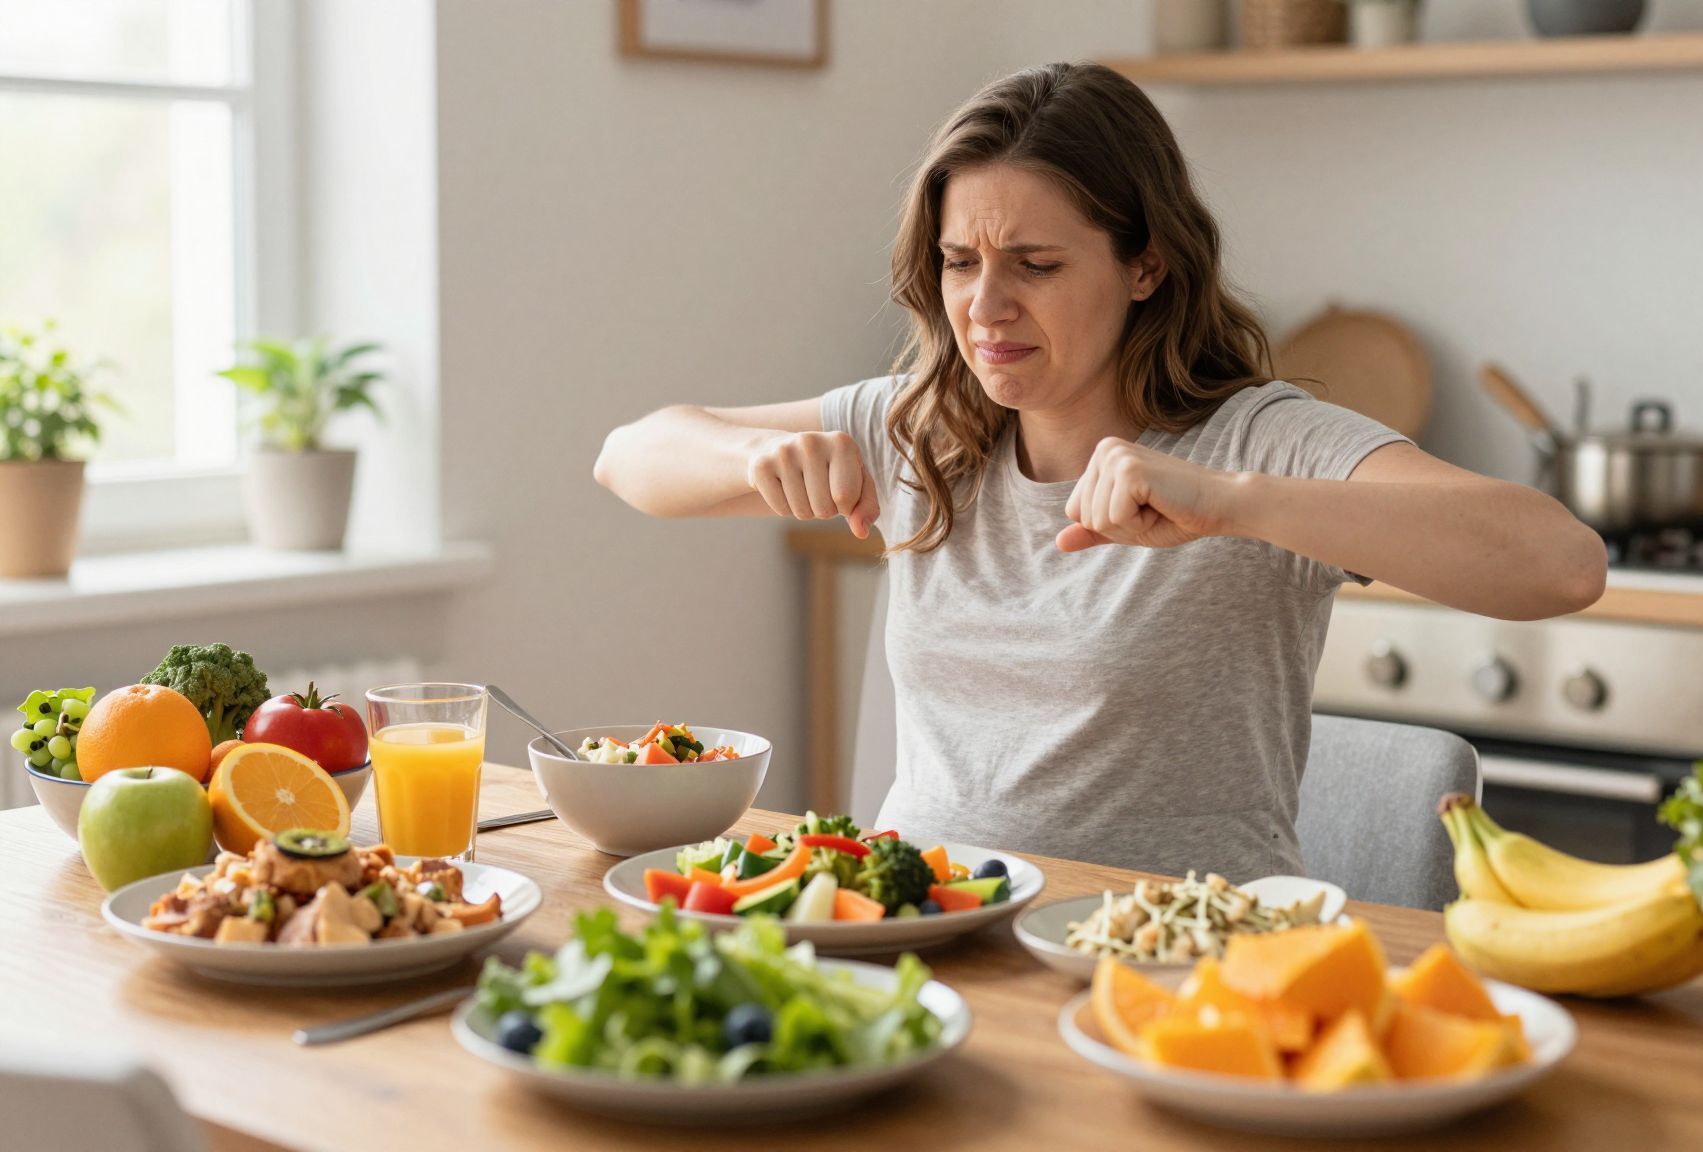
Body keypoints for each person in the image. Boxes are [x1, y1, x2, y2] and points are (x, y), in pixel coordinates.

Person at [595, 62, 1605, 879]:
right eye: (959, 262)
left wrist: (1231, 506)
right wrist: (753, 454)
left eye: (1033, 265)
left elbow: (1560, 564)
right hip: (929, 935)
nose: (984, 308)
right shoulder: (922, 426)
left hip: (1174, 967)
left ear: (1145, 265)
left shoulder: (1257, 443)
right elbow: (628, 456)